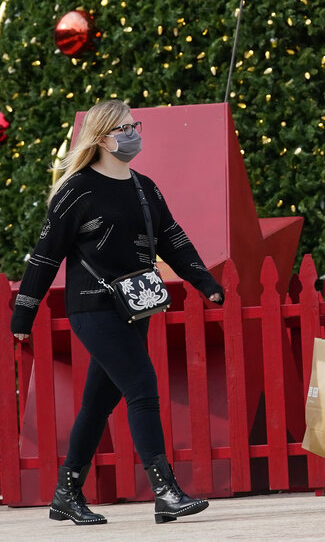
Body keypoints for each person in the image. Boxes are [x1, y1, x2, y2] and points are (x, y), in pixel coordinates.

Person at [9, 99, 224, 525]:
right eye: (124, 128)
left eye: (134, 125)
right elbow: (45, 256)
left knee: (98, 402)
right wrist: (23, 316)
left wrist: (205, 283)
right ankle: (165, 491)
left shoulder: (143, 186)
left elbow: (172, 238)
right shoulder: (77, 190)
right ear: (102, 136)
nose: (133, 134)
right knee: (141, 385)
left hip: (133, 303)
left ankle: (66, 493)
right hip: (93, 305)